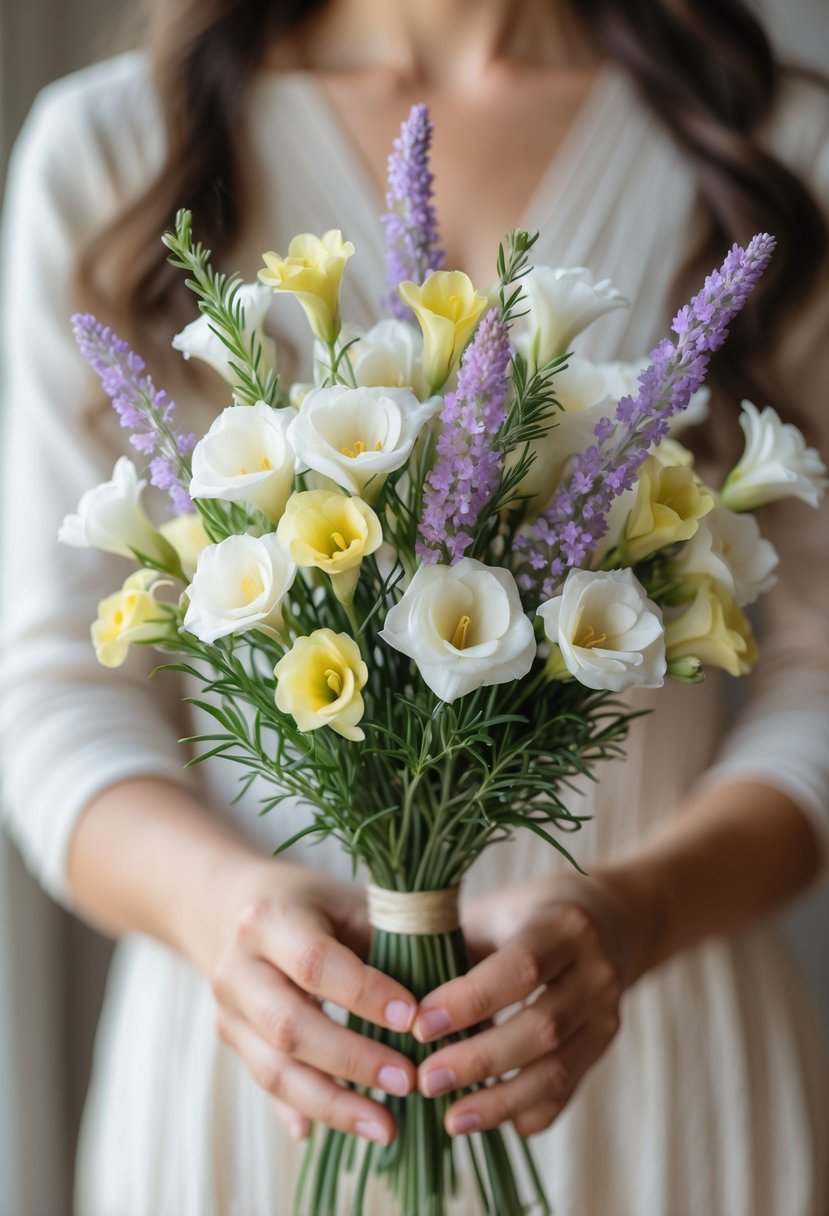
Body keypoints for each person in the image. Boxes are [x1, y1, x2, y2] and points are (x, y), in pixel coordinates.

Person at [2, 1, 828, 1213]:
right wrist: (219, 912)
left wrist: (634, 915)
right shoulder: (118, 149)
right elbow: (52, 685)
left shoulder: (773, 151)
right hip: (257, 1071)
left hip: (652, 1077)